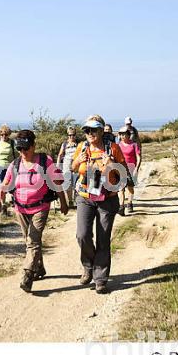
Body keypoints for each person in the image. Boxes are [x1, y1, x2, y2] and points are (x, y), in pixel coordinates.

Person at [0, 130, 69, 293]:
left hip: (40, 207)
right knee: (30, 240)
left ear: (33, 146)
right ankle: (39, 268)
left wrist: (63, 202)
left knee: (32, 240)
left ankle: (27, 275)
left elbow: (57, 183)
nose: (23, 152)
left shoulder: (44, 161)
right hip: (20, 208)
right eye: (20, 149)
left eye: (26, 148)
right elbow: (4, 184)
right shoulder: (16, 164)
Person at [71, 115, 128, 294]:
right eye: (87, 130)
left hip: (107, 198)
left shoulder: (113, 148)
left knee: (103, 239)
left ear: (101, 130)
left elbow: (126, 174)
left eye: (93, 130)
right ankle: (88, 266)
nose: (89, 133)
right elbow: (73, 168)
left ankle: (100, 278)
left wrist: (111, 164)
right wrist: (78, 161)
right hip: (85, 196)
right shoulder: (82, 147)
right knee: (82, 235)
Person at [117, 126, 141, 215]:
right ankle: (121, 207)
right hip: (121, 169)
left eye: (124, 134)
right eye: (121, 134)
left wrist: (136, 168)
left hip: (131, 168)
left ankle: (130, 203)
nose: (122, 136)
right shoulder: (119, 144)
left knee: (130, 188)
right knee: (121, 189)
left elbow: (138, 157)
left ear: (128, 135)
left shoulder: (134, 144)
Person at [56, 126, 79, 207]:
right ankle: (70, 201)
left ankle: (77, 202)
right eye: (69, 135)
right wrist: (58, 166)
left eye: (73, 135)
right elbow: (60, 155)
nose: (71, 137)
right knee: (67, 185)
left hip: (76, 167)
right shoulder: (64, 144)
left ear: (75, 135)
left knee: (77, 185)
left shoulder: (78, 144)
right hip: (66, 166)